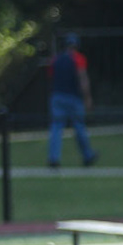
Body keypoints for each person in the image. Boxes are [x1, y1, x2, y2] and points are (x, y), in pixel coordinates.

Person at [47, 34, 98, 169]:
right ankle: (87, 155)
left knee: (56, 127)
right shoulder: (78, 59)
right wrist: (88, 98)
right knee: (79, 126)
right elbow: (83, 79)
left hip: (57, 96)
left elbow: (52, 77)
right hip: (73, 97)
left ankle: (54, 158)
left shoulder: (55, 59)